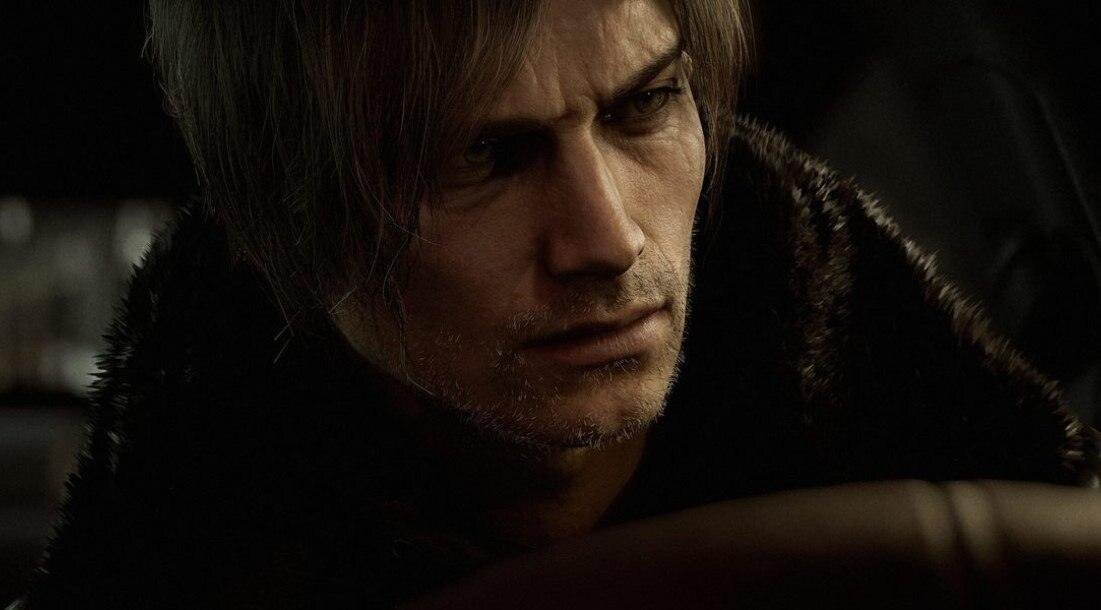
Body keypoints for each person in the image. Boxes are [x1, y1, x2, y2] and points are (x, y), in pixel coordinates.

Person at [17, 0, 1100, 607]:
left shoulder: (958, 470)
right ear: (289, 216)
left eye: (646, 105)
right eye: (485, 155)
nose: (608, 237)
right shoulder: (180, 562)